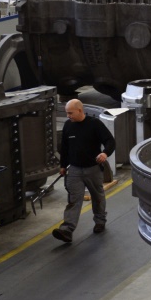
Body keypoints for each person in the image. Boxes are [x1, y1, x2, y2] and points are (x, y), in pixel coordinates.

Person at [53, 99, 116, 243]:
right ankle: (67, 230)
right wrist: (63, 166)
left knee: (97, 196)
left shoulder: (94, 124)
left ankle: (100, 221)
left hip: (92, 169)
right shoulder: (68, 126)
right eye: (67, 113)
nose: (68, 116)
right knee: (74, 199)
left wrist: (105, 153)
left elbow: (110, 141)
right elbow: (65, 148)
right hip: (74, 170)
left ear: (80, 110)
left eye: (70, 113)